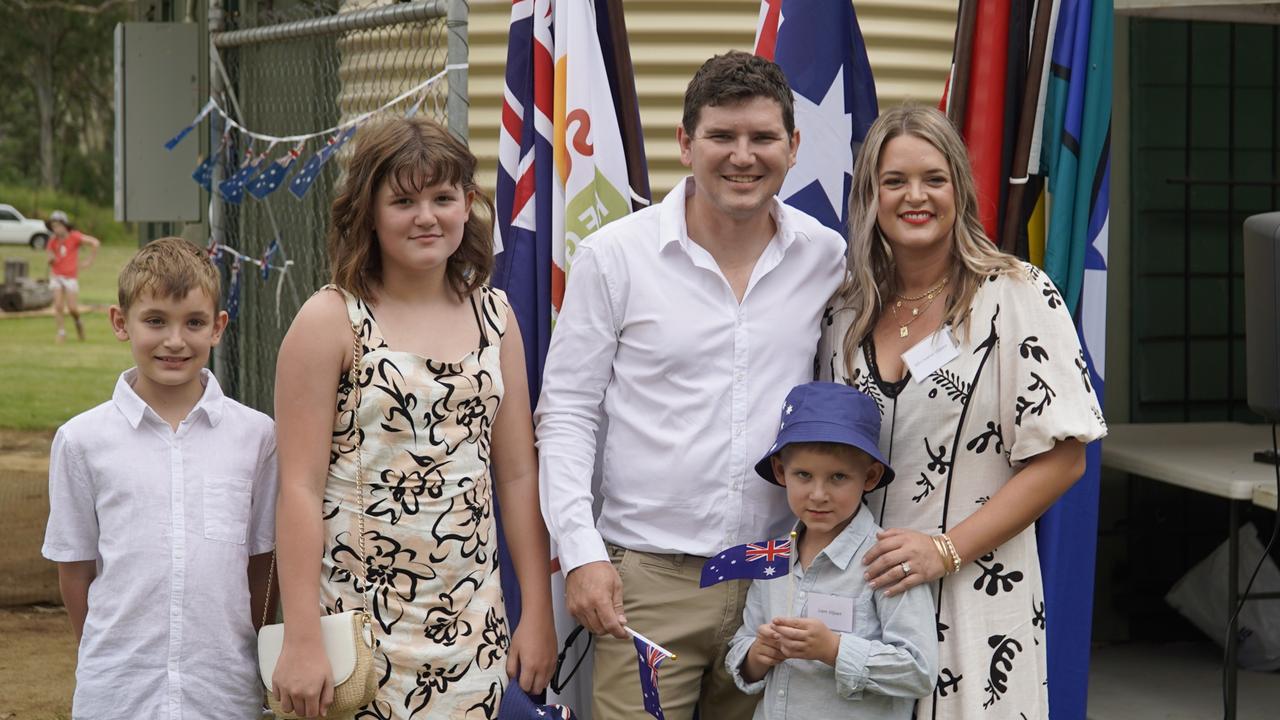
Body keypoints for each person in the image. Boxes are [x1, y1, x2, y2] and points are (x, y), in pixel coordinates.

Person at [536, 51, 847, 719]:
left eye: (763, 137)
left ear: (794, 148)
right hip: (649, 587)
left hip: (779, 584)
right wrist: (581, 552)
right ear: (685, 143)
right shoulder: (615, 258)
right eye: (721, 136)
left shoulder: (826, 258)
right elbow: (566, 415)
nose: (743, 156)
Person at [817, 105, 1108, 719]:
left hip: (977, 599)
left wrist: (943, 550)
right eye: (894, 181)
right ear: (870, 195)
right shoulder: (844, 313)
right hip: (867, 605)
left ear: (960, 189)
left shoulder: (1017, 294)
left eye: (933, 179)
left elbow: (1064, 461)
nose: (914, 197)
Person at [270, 115, 557, 719]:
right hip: (355, 633)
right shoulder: (330, 321)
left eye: (442, 198)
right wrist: (301, 638)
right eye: (403, 201)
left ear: (467, 205)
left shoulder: (496, 317)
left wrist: (538, 610)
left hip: (472, 629)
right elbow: (297, 487)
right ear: (367, 212)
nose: (426, 216)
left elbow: (516, 476)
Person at [42, 237, 277, 719]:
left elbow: (261, 562)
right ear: (120, 323)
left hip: (222, 690)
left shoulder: (256, 437)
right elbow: (75, 566)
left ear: (218, 327)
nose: (175, 340)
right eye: (155, 321)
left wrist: (243, 648)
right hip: (117, 691)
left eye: (193, 322)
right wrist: (105, 654)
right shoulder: (81, 440)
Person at [726, 381, 937, 719]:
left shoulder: (887, 559)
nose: (818, 494)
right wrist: (757, 654)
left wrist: (835, 650)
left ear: (869, 477)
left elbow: (919, 671)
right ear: (781, 471)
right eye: (803, 475)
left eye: (838, 477)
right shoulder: (773, 557)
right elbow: (743, 645)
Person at [45, 209, 101, 343]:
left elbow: (95, 243)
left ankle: (78, 321)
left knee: (72, 308)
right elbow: (49, 256)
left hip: (70, 276)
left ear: (65, 225)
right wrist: (51, 259)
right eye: (54, 226)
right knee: (58, 305)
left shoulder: (74, 237)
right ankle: (61, 332)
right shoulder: (52, 241)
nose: (56, 229)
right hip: (56, 275)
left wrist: (89, 260)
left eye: (58, 225)